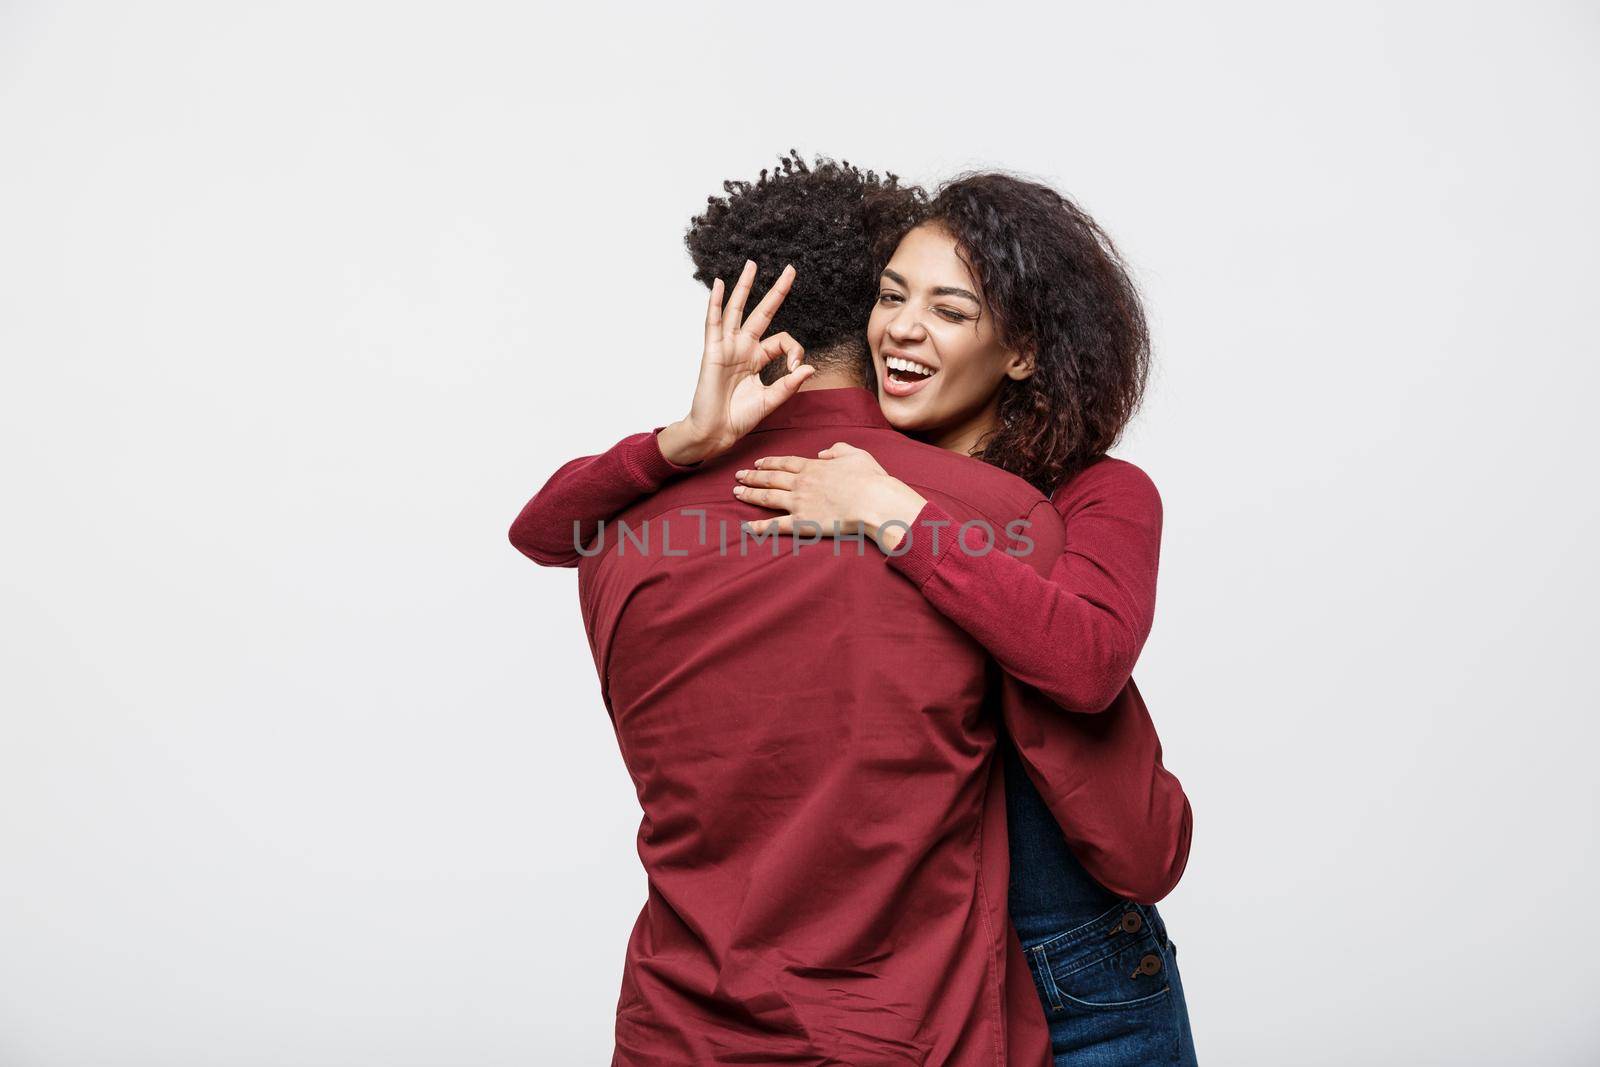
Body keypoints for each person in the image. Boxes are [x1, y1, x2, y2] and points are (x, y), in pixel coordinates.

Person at [509, 153, 1194, 1063]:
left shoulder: (1078, 500)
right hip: (922, 988)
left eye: (951, 311)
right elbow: (543, 527)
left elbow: (1090, 680)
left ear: (1022, 349)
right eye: (890, 296)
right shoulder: (955, 509)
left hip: (1064, 956)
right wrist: (687, 438)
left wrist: (895, 511)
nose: (905, 329)